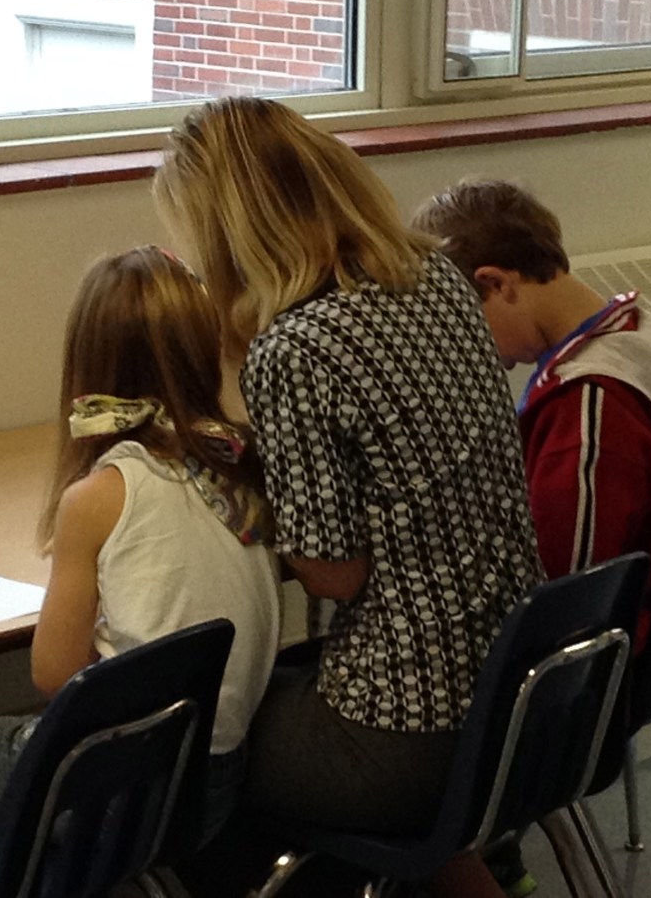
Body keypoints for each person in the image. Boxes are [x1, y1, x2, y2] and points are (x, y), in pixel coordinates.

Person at [154, 97, 544, 898]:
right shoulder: (435, 278)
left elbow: (335, 574)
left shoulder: (294, 349)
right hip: (509, 691)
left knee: (184, 744)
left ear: (230, 233)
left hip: (405, 731)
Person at [0, 245, 282, 845]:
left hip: (118, 798)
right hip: (215, 785)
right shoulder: (239, 464)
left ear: (86, 364)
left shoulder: (98, 498)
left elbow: (54, 673)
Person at [414, 178, 651, 651]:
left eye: (465, 324)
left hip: (593, 653)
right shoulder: (640, 331)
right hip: (646, 613)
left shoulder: (586, 408)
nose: (480, 352)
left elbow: (563, 592)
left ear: (497, 284)